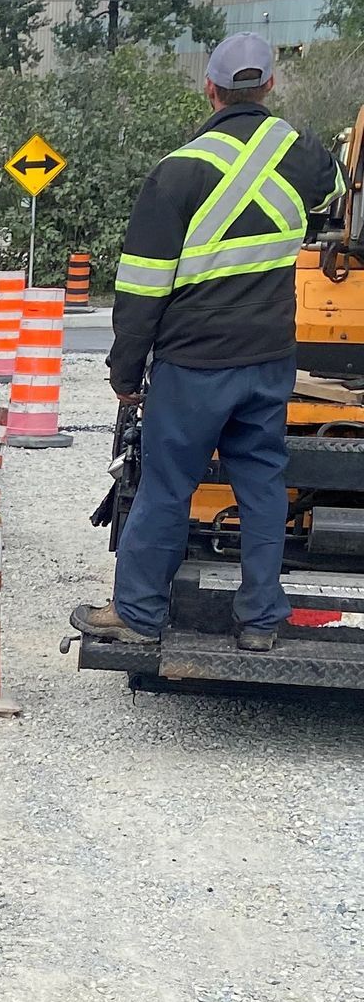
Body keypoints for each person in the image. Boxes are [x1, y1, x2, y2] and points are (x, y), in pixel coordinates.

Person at [72, 33, 340, 656]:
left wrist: (125, 371)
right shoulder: (303, 156)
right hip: (269, 358)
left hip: (194, 364)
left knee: (168, 486)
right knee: (263, 486)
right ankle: (261, 620)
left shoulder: (178, 172)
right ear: (269, 85)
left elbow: (142, 287)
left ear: (210, 90)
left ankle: (138, 614)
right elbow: (330, 194)